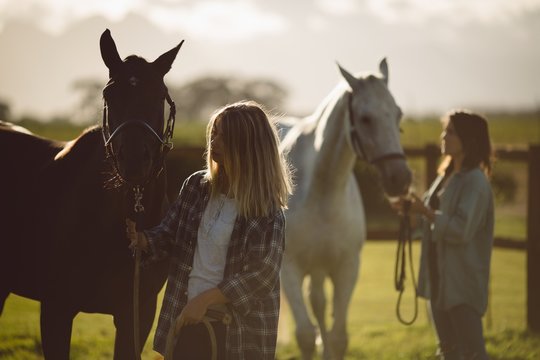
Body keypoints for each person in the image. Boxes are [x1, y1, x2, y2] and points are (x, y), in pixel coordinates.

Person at [127, 100, 293, 360]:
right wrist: (143, 240)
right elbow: (170, 234)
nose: (214, 141)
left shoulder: (267, 211)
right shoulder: (197, 187)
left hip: (236, 333)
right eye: (214, 133)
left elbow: (260, 276)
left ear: (247, 145)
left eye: (225, 137)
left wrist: (203, 301)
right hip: (186, 321)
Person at [392, 110, 494, 360]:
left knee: (472, 353)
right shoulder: (444, 178)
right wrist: (410, 211)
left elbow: (460, 230)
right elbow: (429, 222)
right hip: (439, 281)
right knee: (447, 351)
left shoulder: (476, 183)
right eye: (445, 130)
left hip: (462, 284)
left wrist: (425, 211)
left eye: (450, 131)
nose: (443, 136)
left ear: (468, 140)